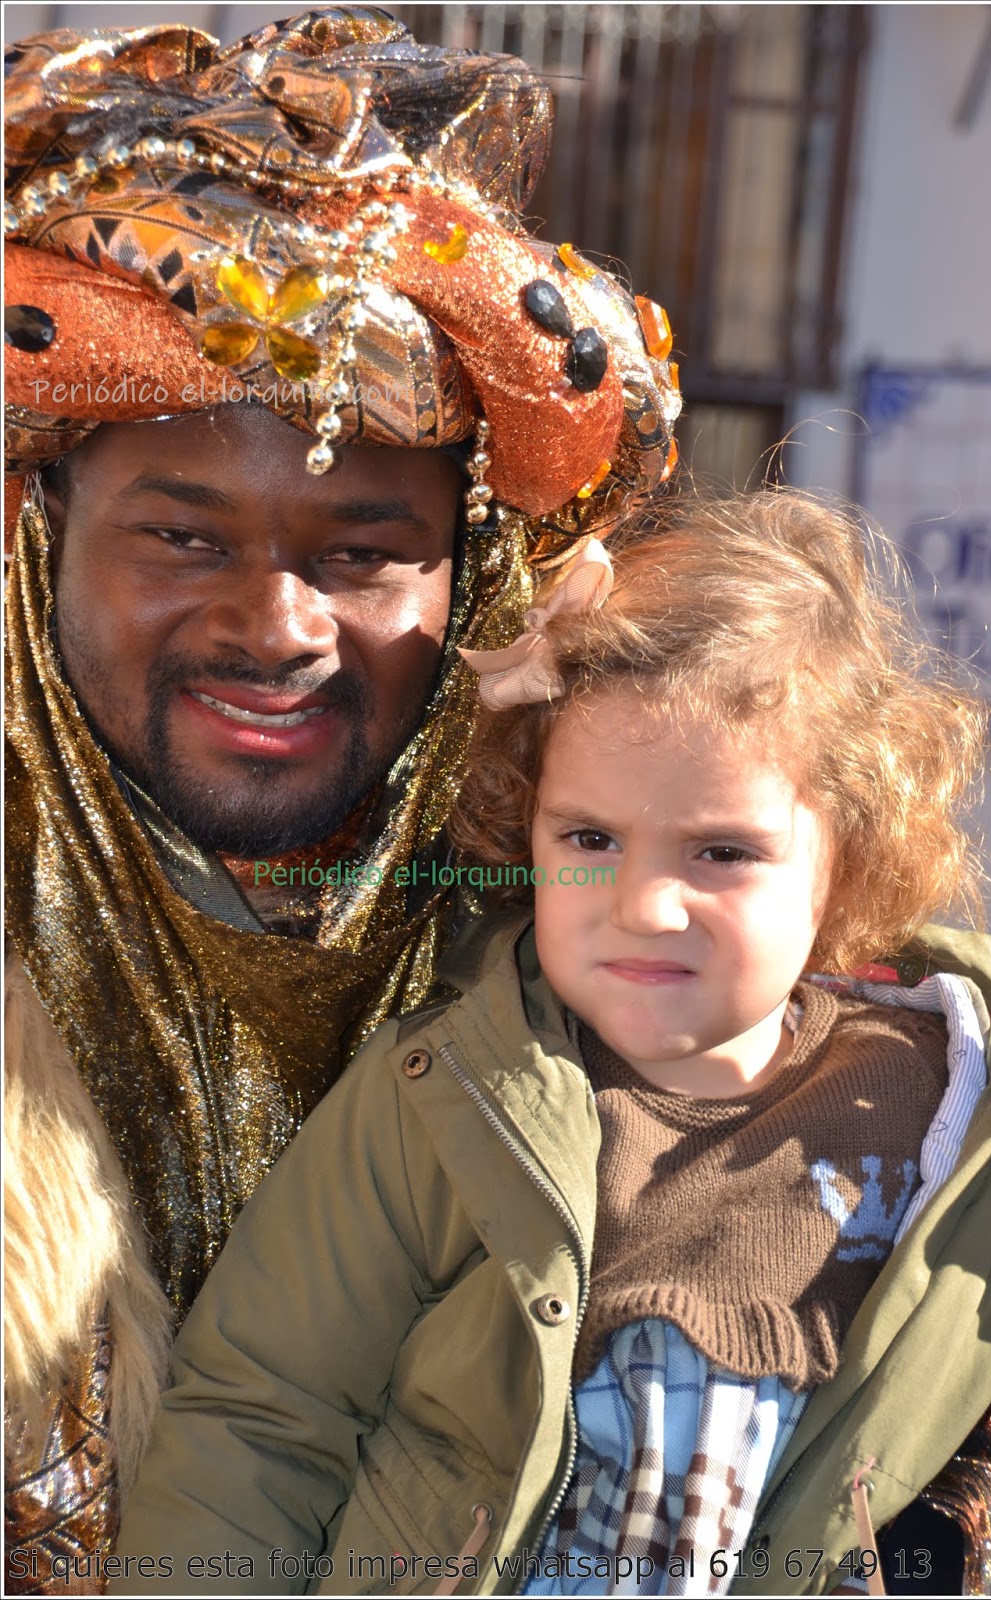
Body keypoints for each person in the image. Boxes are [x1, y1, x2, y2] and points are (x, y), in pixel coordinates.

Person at [2, 9, 680, 1588]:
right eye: (183, 536)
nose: (278, 626)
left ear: (471, 578)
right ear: (42, 530)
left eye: (363, 554)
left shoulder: (634, 940)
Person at [111, 491, 991, 1597]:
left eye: (720, 851)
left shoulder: (980, 1120)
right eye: (592, 836)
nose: (644, 905)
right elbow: (262, 1417)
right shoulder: (443, 1094)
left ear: (846, 861)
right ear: (530, 826)